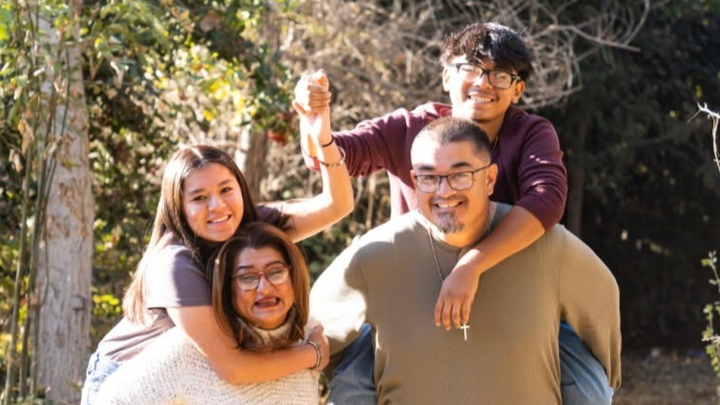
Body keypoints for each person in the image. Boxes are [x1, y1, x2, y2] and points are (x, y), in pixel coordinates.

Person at [295, 22, 609, 404]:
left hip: (516, 287)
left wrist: (471, 265)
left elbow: (546, 199)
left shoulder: (531, 133)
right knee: (354, 382)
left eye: (500, 74)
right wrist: (315, 127)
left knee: (588, 385)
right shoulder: (410, 127)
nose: (483, 82)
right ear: (446, 76)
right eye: (470, 68)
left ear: (518, 89)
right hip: (413, 288)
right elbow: (334, 158)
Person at [310, 116, 621, 404]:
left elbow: (602, 315)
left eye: (460, 175)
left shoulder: (550, 248)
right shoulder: (376, 255)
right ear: (415, 182)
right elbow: (314, 331)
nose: (444, 191)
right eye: (429, 177)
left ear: (490, 178)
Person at [80, 81, 350, 405]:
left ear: (241, 188)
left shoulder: (250, 226)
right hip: (126, 380)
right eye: (199, 198)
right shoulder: (175, 264)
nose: (217, 207)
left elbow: (337, 205)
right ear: (178, 207)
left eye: (226, 190)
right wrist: (312, 354)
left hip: (190, 377)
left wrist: (322, 137)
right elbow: (232, 367)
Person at [95, 222, 327, 404]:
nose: (264, 288)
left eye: (276, 272)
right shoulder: (189, 352)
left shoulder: (310, 333)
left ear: (293, 276)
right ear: (227, 289)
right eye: (247, 277)